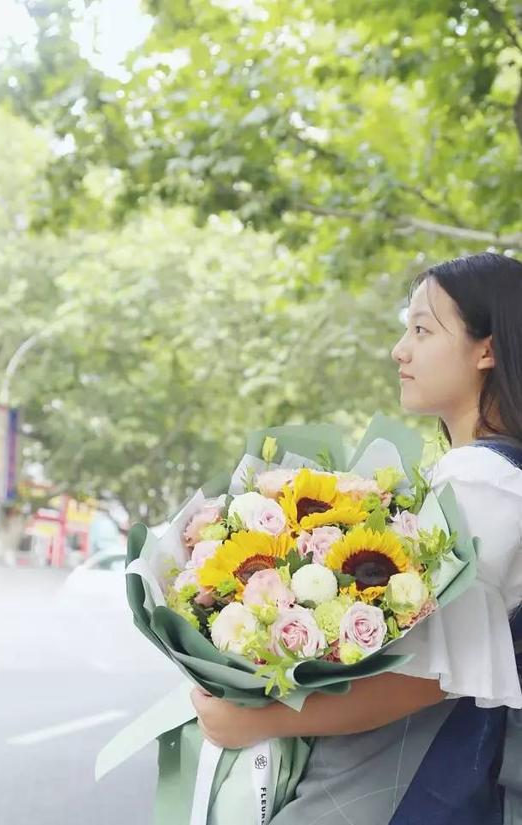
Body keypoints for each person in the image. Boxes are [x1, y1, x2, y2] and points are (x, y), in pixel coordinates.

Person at [191, 251, 522, 824]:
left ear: (487, 348)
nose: (401, 349)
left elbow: (429, 682)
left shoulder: (485, 485)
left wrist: (259, 720)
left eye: (422, 329)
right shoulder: (477, 476)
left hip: (405, 787)